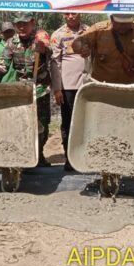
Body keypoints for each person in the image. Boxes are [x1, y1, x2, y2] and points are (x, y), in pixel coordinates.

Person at [72, 14, 134, 182]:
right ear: (111, 20)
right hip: (103, 90)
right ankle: (101, 161)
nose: (122, 28)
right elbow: (77, 43)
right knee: (101, 127)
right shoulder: (98, 30)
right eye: (119, 24)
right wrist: (81, 47)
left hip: (131, 90)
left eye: (126, 24)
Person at [0, 12, 52, 166]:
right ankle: (25, 153)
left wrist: (43, 50)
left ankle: (39, 153)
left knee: (42, 123)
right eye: (18, 24)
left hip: (40, 89)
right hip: (22, 90)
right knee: (22, 122)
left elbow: (50, 52)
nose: (22, 27)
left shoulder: (40, 37)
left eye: (25, 23)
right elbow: (2, 63)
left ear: (32, 23)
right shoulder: (12, 42)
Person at [49, 12, 89, 171]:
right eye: (67, 14)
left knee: (87, 121)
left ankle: (85, 157)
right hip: (68, 86)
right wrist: (57, 88)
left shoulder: (90, 31)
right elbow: (55, 63)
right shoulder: (58, 34)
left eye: (74, 13)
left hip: (87, 84)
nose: (71, 16)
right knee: (69, 122)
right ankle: (70, 158)